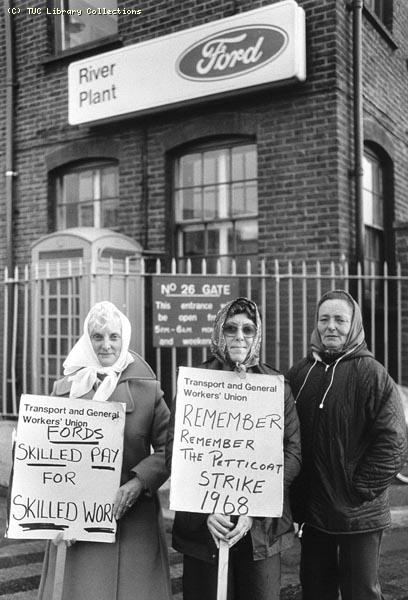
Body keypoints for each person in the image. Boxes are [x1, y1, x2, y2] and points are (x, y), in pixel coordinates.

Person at [166, 297, 301, 600]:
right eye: (231, 328)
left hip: (260, 530)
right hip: (205, 528)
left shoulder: (276, 386)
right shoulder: (196, 383)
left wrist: (253, 508)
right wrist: (206, 509)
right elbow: (176, 450)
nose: (240, 336)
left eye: (248, 329)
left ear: (257, 335)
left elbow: (292, 454)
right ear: (218, 332)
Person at [37, 301, 172, 600]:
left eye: (114, 336)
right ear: (87, 339)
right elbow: (44, 454)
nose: (106, 345)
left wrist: (138, 483)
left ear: (124, 339)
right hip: (76, 520)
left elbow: (170, 448)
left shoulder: (148, 390)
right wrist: (50, 512)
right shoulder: (64, 389)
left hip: (133, 520)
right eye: (98, 337)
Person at [287, 289, 408, 600]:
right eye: (324, 319)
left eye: (340, 319)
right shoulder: (300, 374)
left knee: (361, 593)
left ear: (354, 325)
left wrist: (360, 490)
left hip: (358, 514)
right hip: (313, 513)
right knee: (316, 589)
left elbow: (393, 440)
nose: (331, 326)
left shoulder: (372, 373)